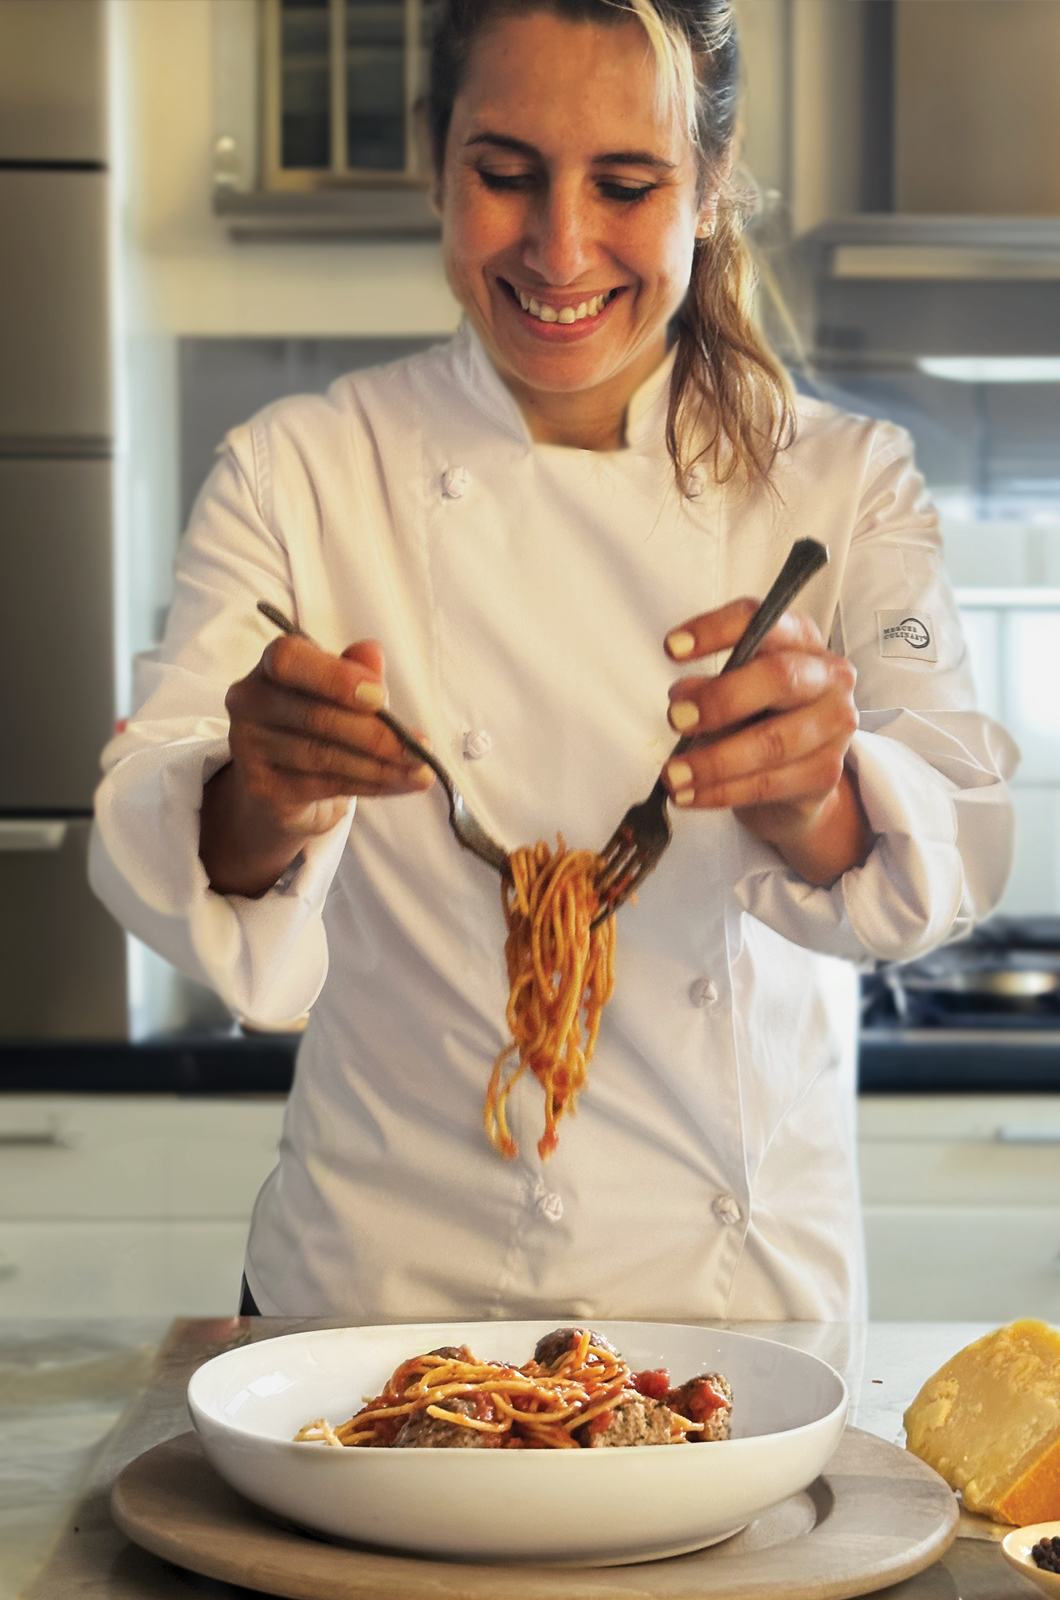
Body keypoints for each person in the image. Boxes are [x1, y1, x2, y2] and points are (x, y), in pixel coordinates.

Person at [90, 0, 1017, 1322]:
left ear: (709, 179)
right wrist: (267, 791)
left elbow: (961, 844)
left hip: (732, 1327)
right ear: (434, 156)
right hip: (378, 1309)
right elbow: (161, 841)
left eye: (626, 183)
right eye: (505, 173)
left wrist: (816, 793)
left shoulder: (848, 485)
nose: (561, 246)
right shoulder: (301, 471)